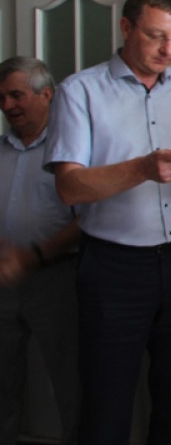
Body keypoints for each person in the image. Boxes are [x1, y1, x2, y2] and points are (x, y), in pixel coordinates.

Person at [44, 0, 171, 445]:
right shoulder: (79, 92)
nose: (169, 51)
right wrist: (142, 169)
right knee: (106, 402)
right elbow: (69, 186)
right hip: (114, 268)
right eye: (156, 36)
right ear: (126, 28)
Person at [0, 57, 79, 445]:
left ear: (46, 94)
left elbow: (87, 221)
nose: (7, 106)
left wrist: (33, 256)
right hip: (3, 282)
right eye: (1, 98)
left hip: (57, 278)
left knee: (70, 381)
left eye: (16, 95)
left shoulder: (69, 153)